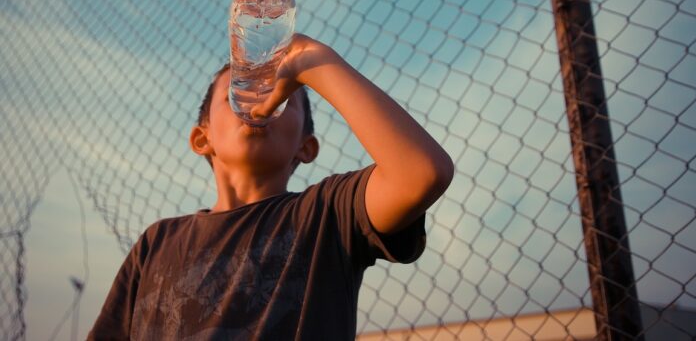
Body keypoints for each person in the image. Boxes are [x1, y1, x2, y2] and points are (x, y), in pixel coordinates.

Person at [87, 34, 454, 340]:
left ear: (305, 147)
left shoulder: (328, 215)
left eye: (282, 94)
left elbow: (422, 173)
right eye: (239, 89)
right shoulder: (156, 243)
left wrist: (314, 62)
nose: (258, 100)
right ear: (202, 138)